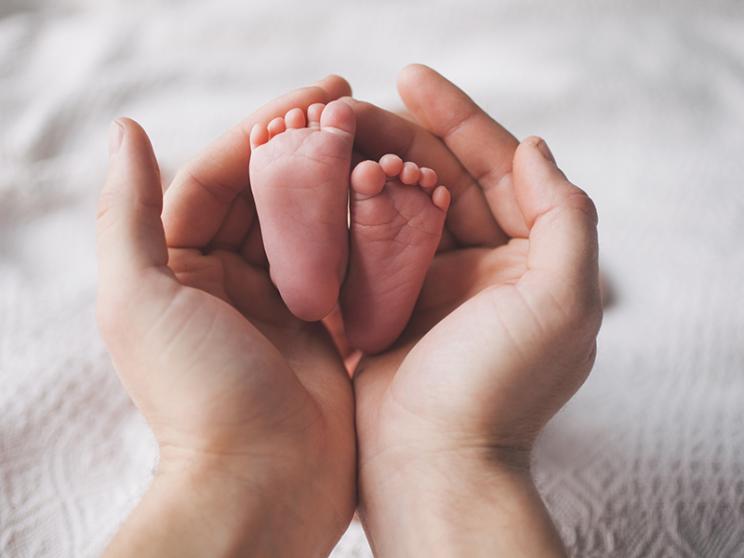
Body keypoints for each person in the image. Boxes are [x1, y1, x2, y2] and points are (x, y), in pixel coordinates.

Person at [96, 64, 601, 557]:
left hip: (277, 325)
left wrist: (234, 458)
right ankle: (365, 301)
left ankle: (311, 281)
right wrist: (451, 452)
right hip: (424, 327)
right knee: (414, 226)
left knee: (324, 273)